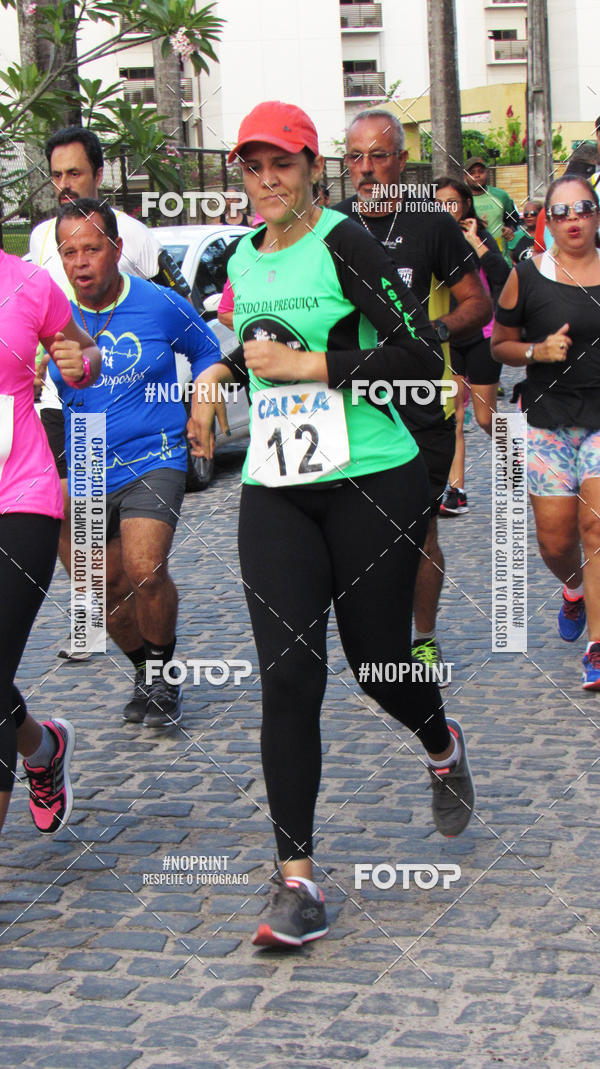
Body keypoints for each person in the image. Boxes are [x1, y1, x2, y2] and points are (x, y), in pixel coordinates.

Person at [188, 100, 475, 948]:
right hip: (277, 487)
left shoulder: (345, 242)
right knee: (288, 677)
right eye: (252, 166)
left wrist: (312, 365)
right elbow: (260, 340)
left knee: (377, 665)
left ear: (314, 168)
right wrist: (217, 373)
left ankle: (440, 740)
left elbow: (416, 355)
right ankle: (297, 882)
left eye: (282, 163)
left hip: (372, 480)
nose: (267, 180)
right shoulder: (244, 255)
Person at [334, 110, 491, 675]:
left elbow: (479, 304)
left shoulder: (431, 224)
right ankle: (379, 638)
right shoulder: (331, 226)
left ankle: (423, 638)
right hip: (353, 402)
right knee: (359, 532)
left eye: (379, 156)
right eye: (356, 157)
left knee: (418, 528)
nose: (367, 168)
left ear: (402, 161)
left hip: (422, 400)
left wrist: (436, 330)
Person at [53, 198, 219, 727]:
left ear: (117, 248)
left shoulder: (159, 303)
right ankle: (147, 671)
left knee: (145, 570)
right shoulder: (51, 315)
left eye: (92, 249)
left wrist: (201, 407)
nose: (81, 262)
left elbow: (209, 351)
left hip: (155, 453)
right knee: (102, 588)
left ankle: (163, 679)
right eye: (69, 252)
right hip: (85, 461)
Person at [29, 125, 191, 660]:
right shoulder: (39, 237)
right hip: (65, 413)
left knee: (142, 565)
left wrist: (167, 396)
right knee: (81, 548)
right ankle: (95, 616)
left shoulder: (136, 236)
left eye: (75, 173)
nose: (65, 185)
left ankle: (145, 647)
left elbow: (169, 309)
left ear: (98, 174)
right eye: (56, 175)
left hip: (131, 411)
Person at [0, 248, 101, 834]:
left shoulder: (27, 283)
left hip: (20, 495)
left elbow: (86, 353)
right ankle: (42, 747)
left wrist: (78, 362)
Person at [492, 175, 600, 688]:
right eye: (560, 212)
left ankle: (597, 646)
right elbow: (500, 345)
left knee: (595, 528)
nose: (573, 219)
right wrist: (537, 351)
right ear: (547, 223)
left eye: (583, 208)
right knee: (555, 541)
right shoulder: (527, 276)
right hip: (547, 420)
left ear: (596, 214)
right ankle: (574, 588)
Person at [434, 177, 510, 514]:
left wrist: (476, 242)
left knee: (484, 418)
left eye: (451, 202)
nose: (445, 209)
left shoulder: (479, 237)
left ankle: (515, 458)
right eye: (438, 203)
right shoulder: (430, 239)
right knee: (454, 416)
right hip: (448, 338)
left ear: (465, 205)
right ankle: (457, 492)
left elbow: (503, 277)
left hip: (482, 336)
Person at [464, 156, 519, 266]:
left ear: (487, 173)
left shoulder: (501, 195)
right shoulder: (462, 199)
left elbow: (513, 218)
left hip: (501, 259)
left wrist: (510, 229)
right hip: (473, 260)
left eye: (481, 171)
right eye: (472, 172)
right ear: (465, 176)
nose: (477, 175)